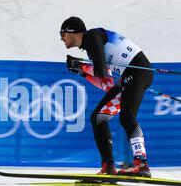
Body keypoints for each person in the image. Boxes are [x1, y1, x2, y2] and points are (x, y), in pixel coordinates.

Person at [60, 16, 153, 177]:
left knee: (127, 116)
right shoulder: (90, 48)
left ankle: (142, 164)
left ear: (71, 31)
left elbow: (101, 70)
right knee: (98, 117)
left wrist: (81, 66)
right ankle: (108, 166)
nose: (61, 38)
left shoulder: (91, 36)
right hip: (129, 76)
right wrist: (83, 72)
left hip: (138, 71)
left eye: (62, 33)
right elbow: (107, 83)